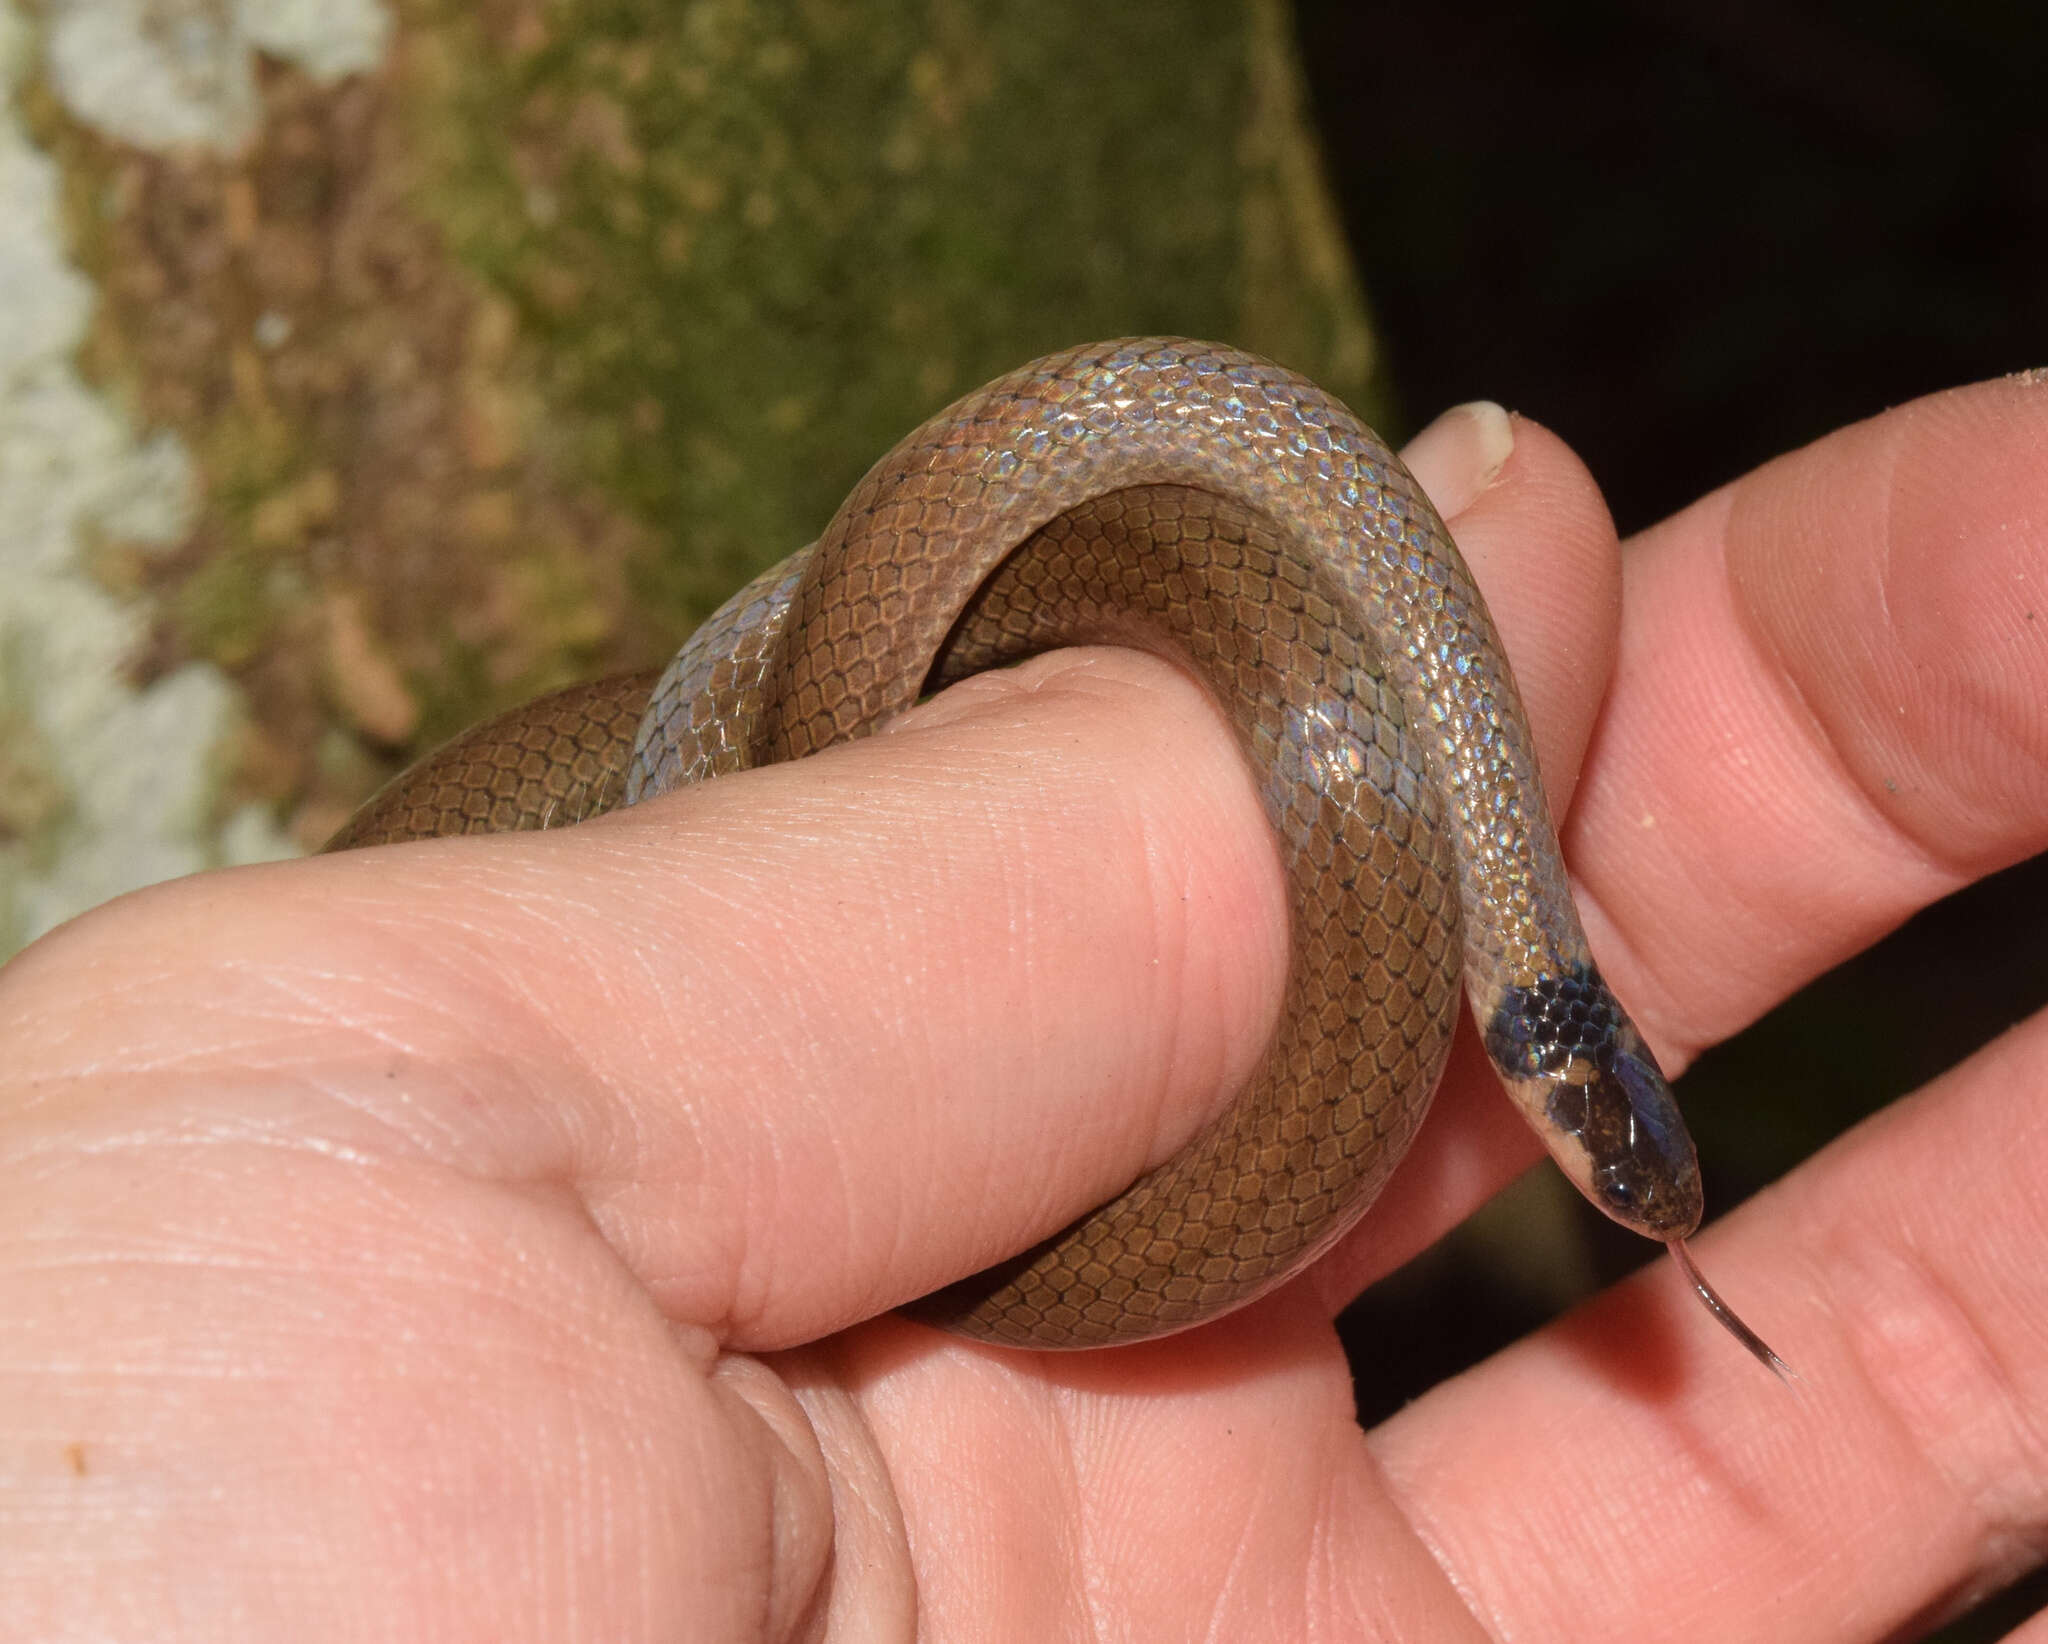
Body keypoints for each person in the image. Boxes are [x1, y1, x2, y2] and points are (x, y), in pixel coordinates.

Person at [3, 376, 2042, 1641]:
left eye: (1608, 1154)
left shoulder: (1471, 924)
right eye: (1603, 1143)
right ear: (1538, 1061)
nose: (1602, 1167)